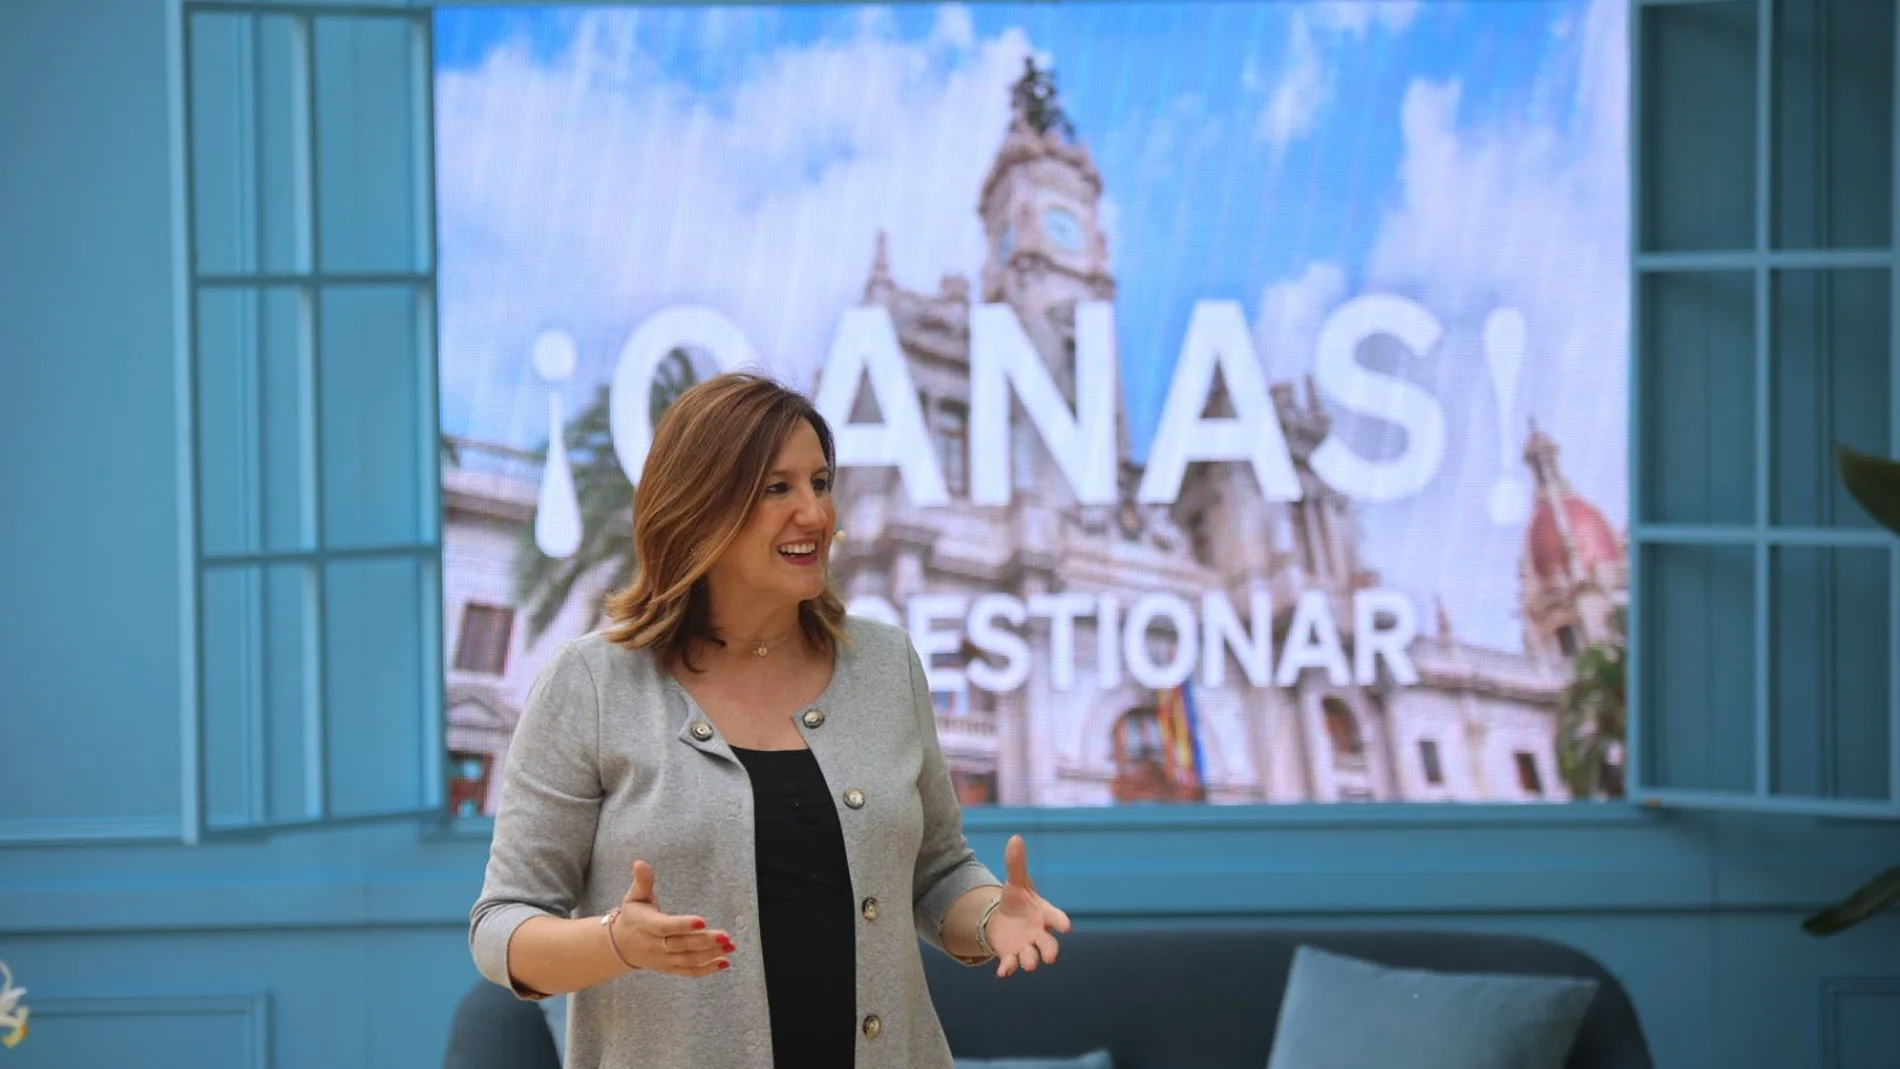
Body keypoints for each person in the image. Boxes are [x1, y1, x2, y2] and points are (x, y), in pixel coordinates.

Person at [470, 372, 1072, 1069]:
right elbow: (502, 924)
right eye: (777, 488)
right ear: (699, 505)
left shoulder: (885, 665)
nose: (814, 513)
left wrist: (993, 914)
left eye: (819, 482)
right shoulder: (593, 683)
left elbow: (937, 873)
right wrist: (615, 941)